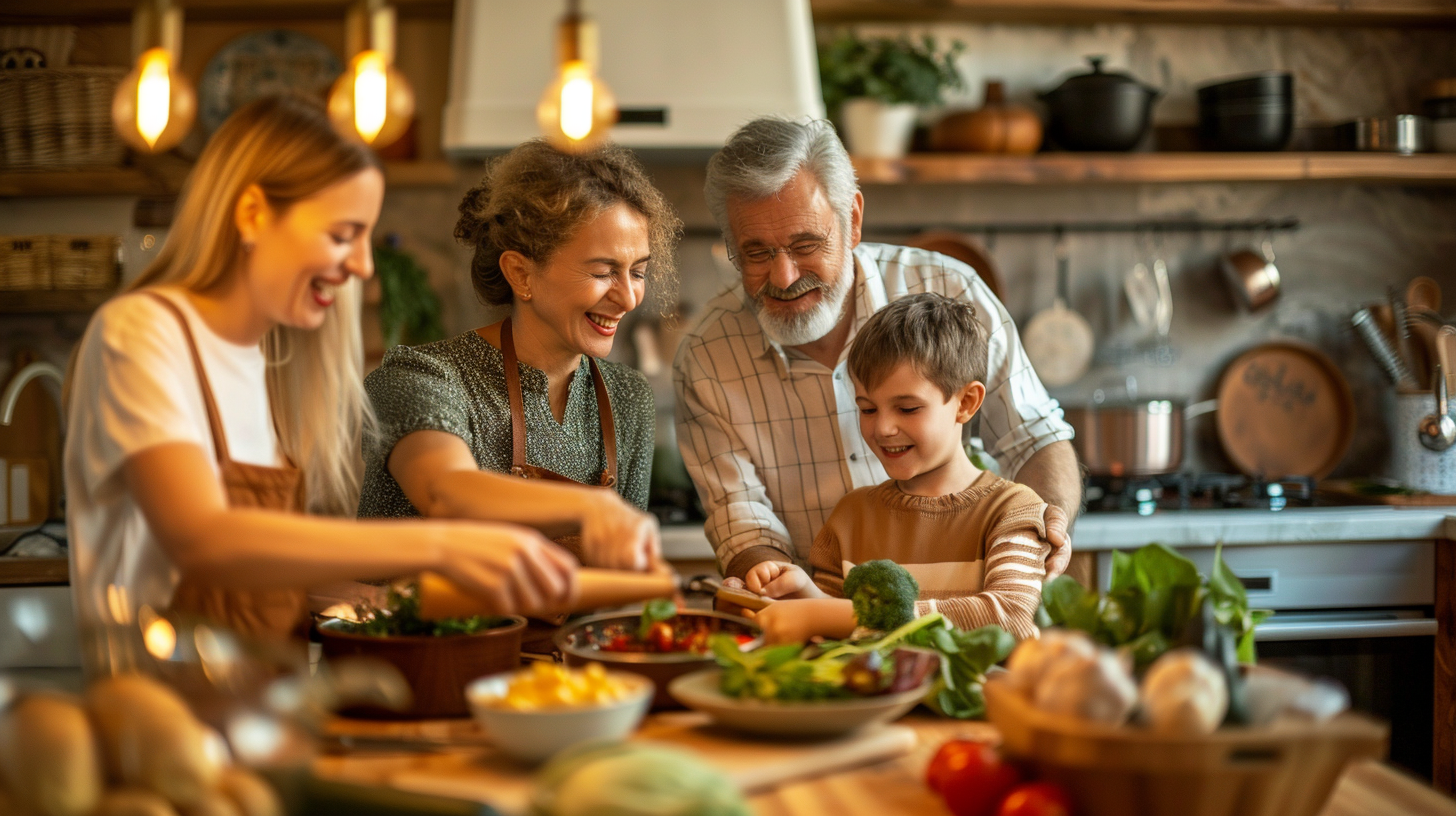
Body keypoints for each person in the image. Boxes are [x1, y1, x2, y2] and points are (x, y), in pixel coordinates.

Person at [65, 96, 576, 663]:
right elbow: (203, 538)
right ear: (253, 215)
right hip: (163, 710)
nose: (362, 265)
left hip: (262, 702)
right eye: (342, 235)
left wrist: (373, 600)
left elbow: (255, 566)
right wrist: (443, 543)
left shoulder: (258, 360)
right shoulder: (140, 334)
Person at [673, 117, 1080, 585]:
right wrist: (773, 581)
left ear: (853, 220)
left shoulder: (951, 289)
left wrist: (1043, 528)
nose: (783, 277)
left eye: (806, 244)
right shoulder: (706, 356)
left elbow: (1032, 437)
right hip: (817, 618)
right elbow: (743, 521)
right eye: (757, 253)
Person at [357, 141, 681, 572]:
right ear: (520, 273)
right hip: (410, 618)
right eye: (603, 272)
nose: (628, 298)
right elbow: (444, 492)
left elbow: (616, 567)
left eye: (637, 272)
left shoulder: (627, 396)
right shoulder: (421, 377)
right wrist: (592, 507)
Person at [740, 294, 1050, 644]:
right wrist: (805, 595)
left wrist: (823, 614)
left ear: (966, 403)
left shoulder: (1011, 510)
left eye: (907, 409)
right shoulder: (850, 518)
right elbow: (839, 636)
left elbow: (1010, 618)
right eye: (868, 409)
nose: (883, 428)